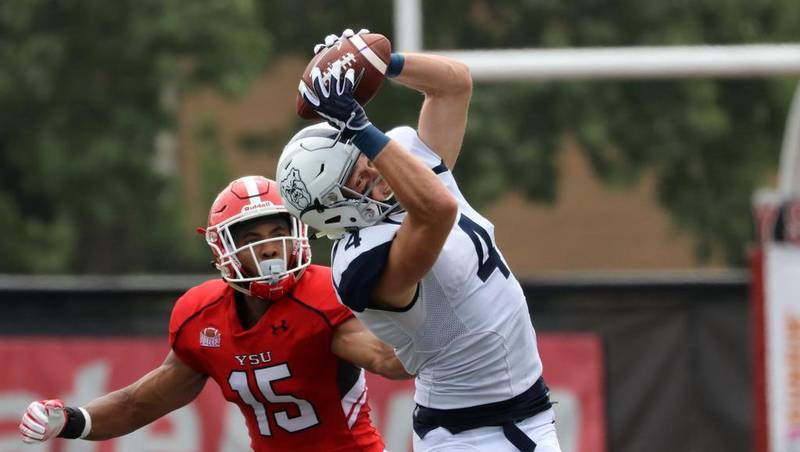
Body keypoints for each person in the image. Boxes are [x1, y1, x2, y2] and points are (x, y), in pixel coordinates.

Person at [276, 29, 562, 452]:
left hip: (526, 411)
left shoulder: (397, 162)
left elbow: (454, 85)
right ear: (335, 211)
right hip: (468, 437)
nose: (375, 167)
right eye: (358, 177)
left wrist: (377, 63)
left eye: (363, 158)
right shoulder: (363, 261)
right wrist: (359, 126)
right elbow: (436, 212)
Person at [18, 175, 411, 451]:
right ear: (222, 250)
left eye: (277, 234)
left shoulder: (324, 295)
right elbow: (139, 404)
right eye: (252, 239)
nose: (270, 249)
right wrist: (72, 420)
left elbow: (389, 359)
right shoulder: (202, 317)